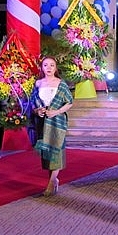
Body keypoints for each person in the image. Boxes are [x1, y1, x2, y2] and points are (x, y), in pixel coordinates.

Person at [31, 56, 74, 196]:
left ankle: (50, 183)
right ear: (42, 67)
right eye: (45, 65)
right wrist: (37, 110)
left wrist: (56, 111)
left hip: (57, 122)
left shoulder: (61, 84)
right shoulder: (38, 83)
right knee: (47, 153)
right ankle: (53, 180)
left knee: (57, 151)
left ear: (56, 68)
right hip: (43, 123)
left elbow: (69, 102)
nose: (48, 68)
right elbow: (32, 102)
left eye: (51, 65)